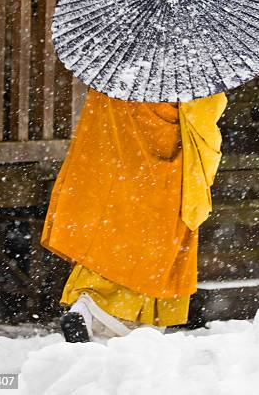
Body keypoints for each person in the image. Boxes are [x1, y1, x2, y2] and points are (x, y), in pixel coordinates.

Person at [40, 87, 227, 342]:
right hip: (166, 176)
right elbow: (205, 116)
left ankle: (85, 306)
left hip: (116, 165)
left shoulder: (115, 74)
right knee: (156, 247)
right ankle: (137, 330)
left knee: (108, 239)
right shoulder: (186, 76)